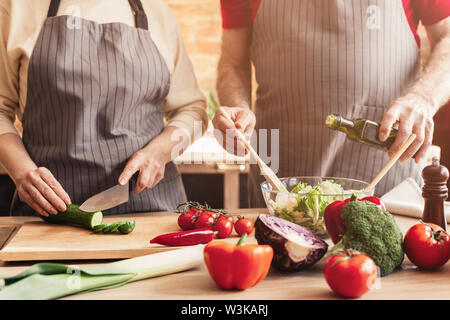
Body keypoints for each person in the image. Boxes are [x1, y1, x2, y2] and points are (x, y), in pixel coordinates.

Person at [213, 0, 450, 207]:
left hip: (386, 173)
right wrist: (237, 107)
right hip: (283, 176)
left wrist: (423, 99)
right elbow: (233, 61)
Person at [0, 0, 208, 216]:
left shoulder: (156, 10)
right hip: (48, 215)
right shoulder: (18, 7)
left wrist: (161, 151)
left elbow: (193, 109)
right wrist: (22, 172)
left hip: (154, 214)